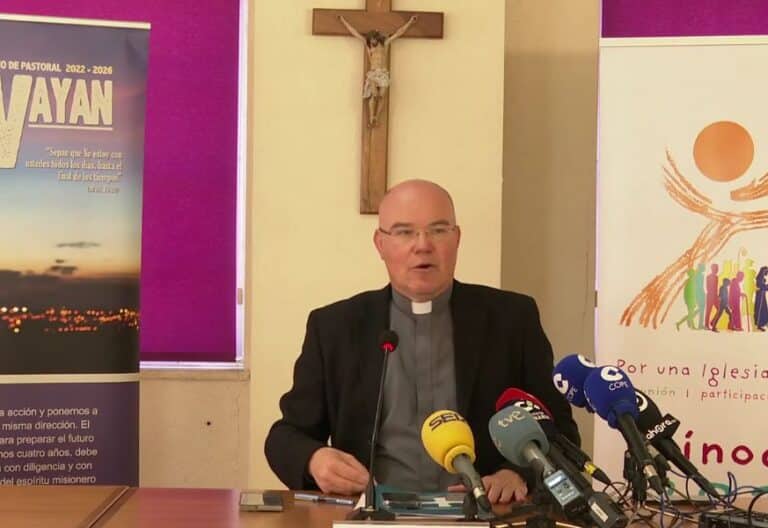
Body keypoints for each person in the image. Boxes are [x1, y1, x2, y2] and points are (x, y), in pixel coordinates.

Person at [264, 180, 579, 504]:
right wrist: (314, 459)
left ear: (457, 239)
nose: (423, 245)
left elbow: (560, 432)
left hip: (485, 512)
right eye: (404, 232)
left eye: (438, 230)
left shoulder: (511, 319)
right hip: (373, 514)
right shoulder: (336, 327)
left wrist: (517, 473)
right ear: (380, 244)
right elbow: (286, 436)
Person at [338, 15, 418, 127]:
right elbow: (355, 33)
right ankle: (371, 117)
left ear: (377, 38)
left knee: (381, 96)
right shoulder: (369, 47)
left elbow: (399, 33)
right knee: (374, 95)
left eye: (373, 39)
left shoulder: (385, 44)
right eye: (371, 40)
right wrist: (343, 21)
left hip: (383, 73)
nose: (372, 41)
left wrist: (410, 22)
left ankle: (376, 117)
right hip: (373, 73)